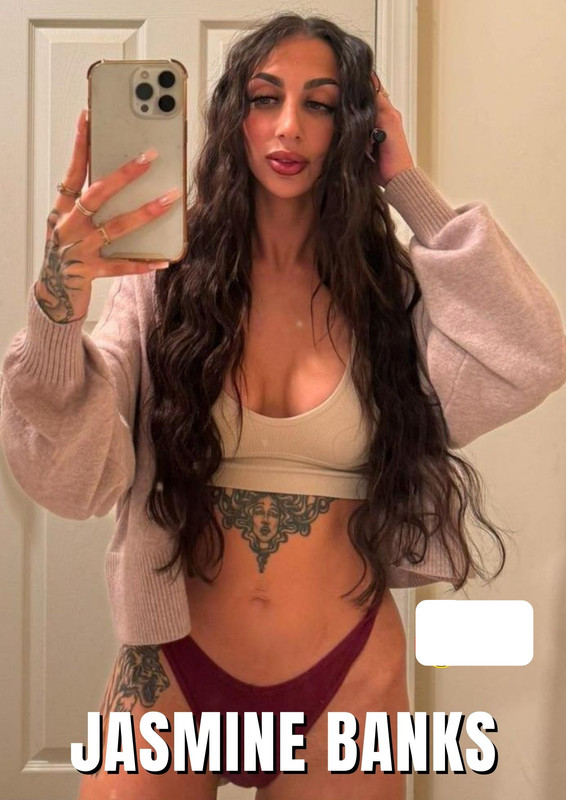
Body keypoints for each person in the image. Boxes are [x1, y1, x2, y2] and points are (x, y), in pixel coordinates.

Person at [1, 11, 565, 800]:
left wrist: (407, 185)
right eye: (266, 98)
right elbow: (69, 477)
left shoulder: (389, 294)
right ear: (235, 115)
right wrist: (58, 303)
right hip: (171, 669)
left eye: (321, 103)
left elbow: (534, 353)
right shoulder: (161, 282)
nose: (290, 126)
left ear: (356, 125)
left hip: (347, 681)